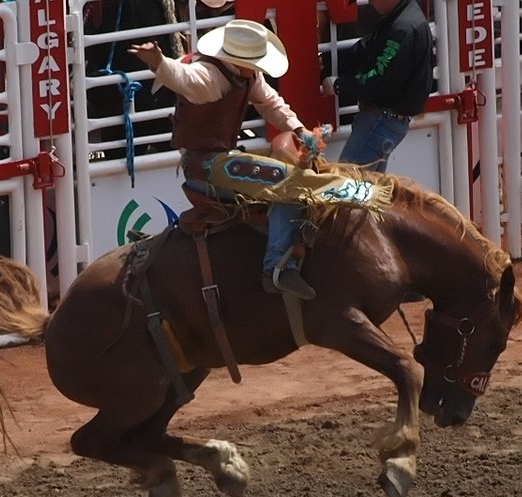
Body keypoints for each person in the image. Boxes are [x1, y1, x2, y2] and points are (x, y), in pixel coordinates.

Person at [130, 20, 392, 300]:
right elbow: (184, 78)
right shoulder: (210, 77)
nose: (258, 68)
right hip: (204, 166)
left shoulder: (246, 75)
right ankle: (277, 267)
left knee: (285, 179)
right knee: (291, 183)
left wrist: (299, 130)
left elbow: (271, 103)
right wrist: (159, 62)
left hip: (219, 160)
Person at [322, 0, 432, 173]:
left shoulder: (402, 28)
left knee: (346, 188)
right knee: (367, 191)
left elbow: (380, 80)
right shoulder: (403, 20)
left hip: (380, 121)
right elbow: (369, 51)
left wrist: (339, 85)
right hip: (387, 121)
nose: (371, 3)